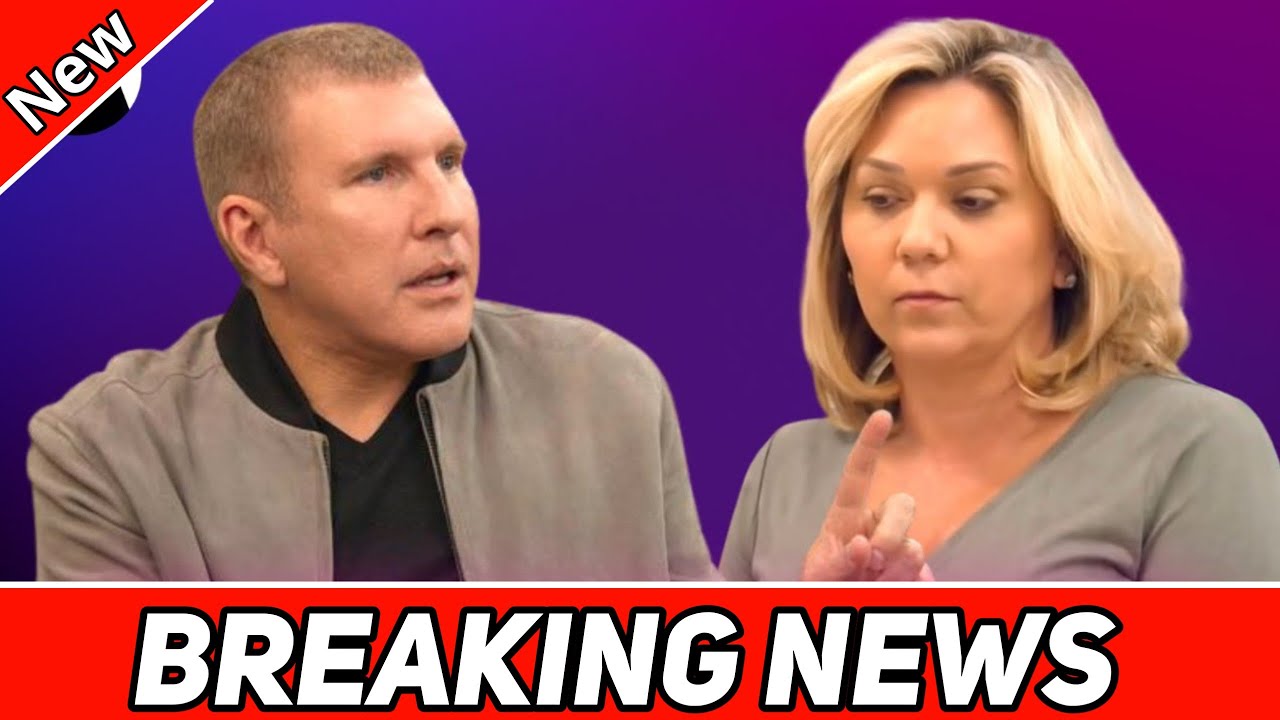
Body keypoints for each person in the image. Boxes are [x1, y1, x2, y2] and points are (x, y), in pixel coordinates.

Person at [27, 22, 724, 581]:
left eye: (449, 162)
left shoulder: (606, 387)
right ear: (257, 239)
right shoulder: (107, 450)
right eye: (378, 174)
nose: (445, 213)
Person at [721, 18, 1280, 581]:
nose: (917, 241)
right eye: (883, 199)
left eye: (973, 201)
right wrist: (820, 625)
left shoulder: (1195, 450)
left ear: (1068, 243)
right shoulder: (784, 473)